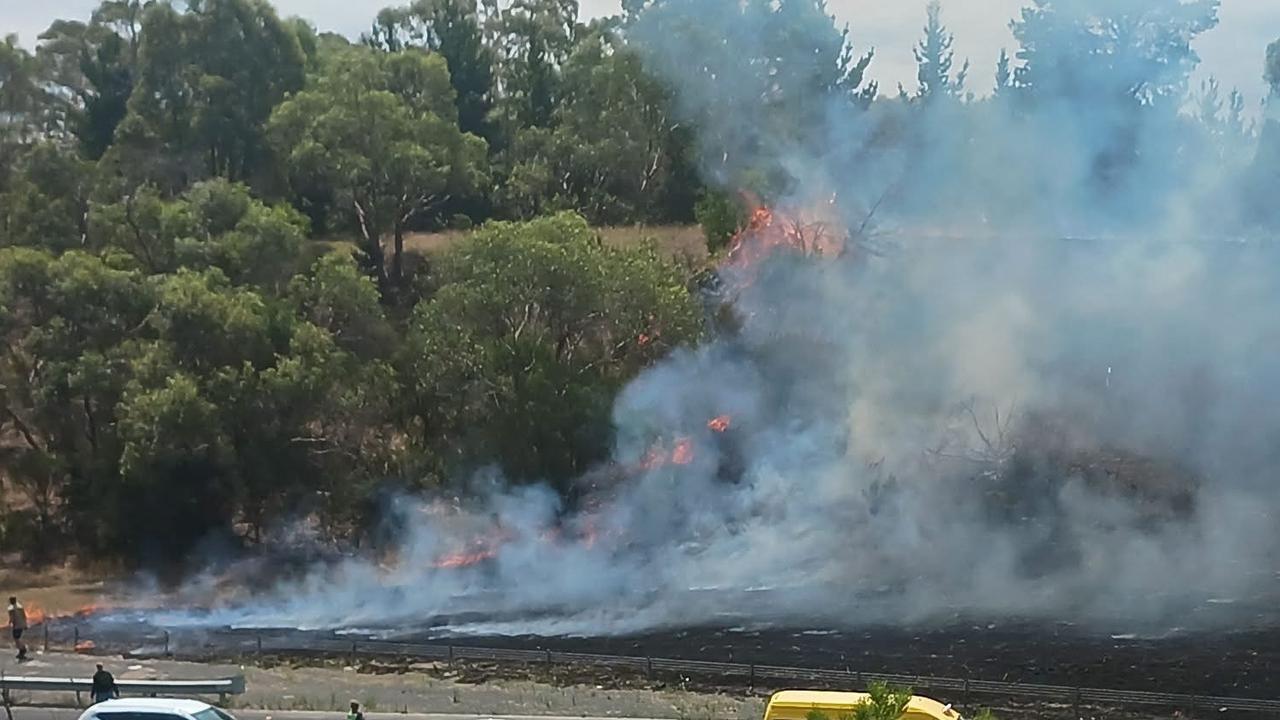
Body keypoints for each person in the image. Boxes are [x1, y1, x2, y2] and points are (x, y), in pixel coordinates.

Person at [7, 596, 27, 661]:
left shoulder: (11, 609)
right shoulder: (20, 606)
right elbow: (24, 616)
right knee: (18, 638)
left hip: (17, 625)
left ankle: (22, 650)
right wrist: (25, 624)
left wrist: (10, 623)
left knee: (17, 638)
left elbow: (12, 618)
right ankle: (22, 650)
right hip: (21, 625)